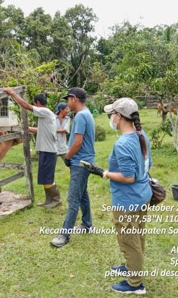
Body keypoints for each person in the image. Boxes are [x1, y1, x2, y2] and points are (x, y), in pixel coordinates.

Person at [100, 97, 152, 294]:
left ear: (119, 116)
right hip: (142, 195)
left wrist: (105, 173)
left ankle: (135, 283)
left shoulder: (122, 144)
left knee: (129, 241)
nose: (110, 118)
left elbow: (127, 177)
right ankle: (132, 266)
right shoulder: (142, 135)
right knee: (137, 235)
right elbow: (148, 165)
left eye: (111, 114)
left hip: (127, 201)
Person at [50, 87, 95, 248]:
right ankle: (87, 224)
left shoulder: (81, 116)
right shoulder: (86, 113)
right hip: (85, 161)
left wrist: (68, 157)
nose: (67, 103)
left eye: (68, 99)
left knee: (73, 198)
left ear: (74, 99)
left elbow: (77, 142)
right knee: (82, 194)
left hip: (80, 162)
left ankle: (64, 235)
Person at [3, 87, 61, 208]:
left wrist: (13, 93)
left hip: (49, 151)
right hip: (46, 150)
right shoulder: (47, 115)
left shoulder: (44, 112)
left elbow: (26, 106)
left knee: (48, 176)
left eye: (35, 104)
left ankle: (55, 199)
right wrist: (27, 128)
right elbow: (41, 131)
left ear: (37, 103)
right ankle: (48, 199)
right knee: (45, 176)